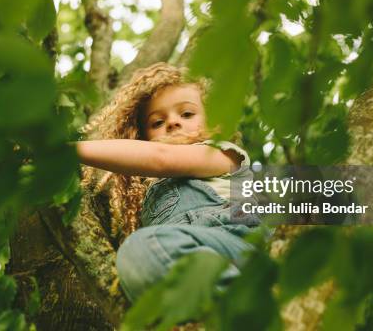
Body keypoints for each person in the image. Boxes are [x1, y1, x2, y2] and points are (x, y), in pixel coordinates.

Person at [75, 62, 260, 303]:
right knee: (136, 261)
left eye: (187, 114)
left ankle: (248, 307)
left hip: (236, 246)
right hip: (192, 261)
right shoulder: (152, 191)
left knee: (145, 247)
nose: (172, 122)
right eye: (157, 123)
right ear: (143, 139)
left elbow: (161, 159)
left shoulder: (222, 153)